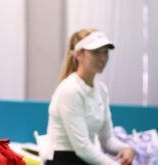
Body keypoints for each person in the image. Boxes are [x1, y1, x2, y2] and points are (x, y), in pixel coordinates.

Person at [45, 28, 135, 165]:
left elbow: (107, 139)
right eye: (95, 52)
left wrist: (127, 149)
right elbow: (82, 148)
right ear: (79, 54)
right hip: (62, 160)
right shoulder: (70, 90)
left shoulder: (101, 90)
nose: (103, 58)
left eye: (105, 52)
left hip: (85, 160)